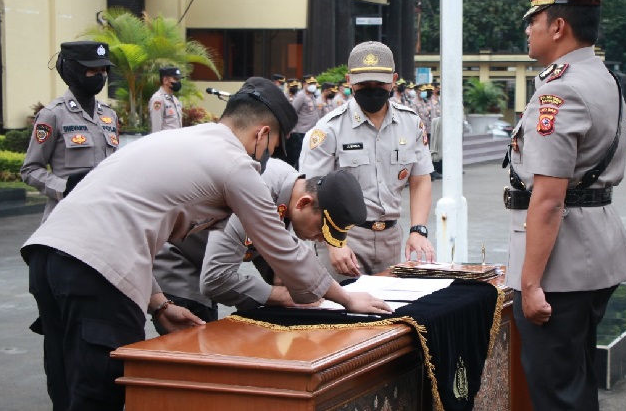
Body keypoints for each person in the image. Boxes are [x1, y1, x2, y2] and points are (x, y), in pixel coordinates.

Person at [22, 76, 391, 411]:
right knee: (101, 393)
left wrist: (159, 303)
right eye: (274, 146)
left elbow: (130, 228)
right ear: (262, 135)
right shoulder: (234, 164)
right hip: (95, 272)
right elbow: (281, 248)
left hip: (51, 255)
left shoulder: (181, 138)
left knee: (67, 385)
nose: (268, 156)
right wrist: (345, 298)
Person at [503, 0, 626, 410]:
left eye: (533, 20)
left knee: (556, 390)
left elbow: (548, 199)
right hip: (596, 247)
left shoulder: (559, 93)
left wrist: (531, 281)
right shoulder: (603, 78)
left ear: (557, 26)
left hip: (559, 261)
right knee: (576, 381)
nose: (527, 29)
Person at [300, 41, 436, 280]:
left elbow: (420, 178)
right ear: (349, 80)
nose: (372, 89)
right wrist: (333, 243)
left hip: (392, 239)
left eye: (379, 83)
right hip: (345, 239)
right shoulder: (328, 130)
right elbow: (311, 192)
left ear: (393, 79)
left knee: (390, 312)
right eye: (363, 84)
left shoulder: (411, 123)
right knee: (342, 313)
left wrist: (418, 230)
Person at [201, 159, 367, 310]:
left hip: (208, 262)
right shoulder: (257, 188)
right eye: (321, 230)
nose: (321, 239)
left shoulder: (292, 188)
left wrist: (277, 274)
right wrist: (282, 296)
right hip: (183, 264)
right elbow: (216, 280)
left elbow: (264, 238)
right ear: (304, 203)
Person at [20, 41, 119, 224]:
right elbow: (30, 170)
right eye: (93, 71)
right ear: (74, 71)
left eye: (104, 71)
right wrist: (65, 188)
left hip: (105, 219)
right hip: (67, 220)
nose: (101, 76)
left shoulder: (108, 114)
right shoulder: (53, 114)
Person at [285, 75, 320, 169]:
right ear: (304, 84)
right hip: (301, 132)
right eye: (310, 83)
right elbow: (292, 112)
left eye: (314, 83)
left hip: (310, 131)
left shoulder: (312, 96)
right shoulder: (301, 96)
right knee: (299, 155)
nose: (313, 85)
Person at [148, 66, 183, 132]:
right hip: (166, 141)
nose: (178, 82)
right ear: (165, 80)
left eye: (179, 80)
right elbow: (156, 128)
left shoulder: (174, 99)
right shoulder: (158, 99)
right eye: (175, 79)